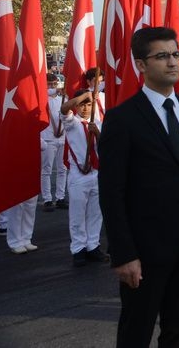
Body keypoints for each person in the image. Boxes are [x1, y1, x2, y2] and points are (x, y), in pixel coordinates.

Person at [98, 27, 179, 348]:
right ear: (141, 65)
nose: (173, 63)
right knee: (136, 331)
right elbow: (112, 192)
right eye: (162, 56)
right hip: (144, 250)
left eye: (176, 55)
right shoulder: (122, 119)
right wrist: (123, 253)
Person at [61, 90, 109, 266]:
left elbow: (107, 147)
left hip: (96, 173)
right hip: (78, 175)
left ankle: (92, 246)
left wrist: (96, 132)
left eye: (89, 105)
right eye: (82, 104)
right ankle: (78, 249)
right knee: (78, 214)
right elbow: (64, 108)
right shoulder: (72, 122)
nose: (86, 108)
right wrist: (87, 94)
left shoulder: (98, 122)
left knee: (96, 214)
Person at [41, 73, 69, 212]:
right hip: (47, 138)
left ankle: (60, 197)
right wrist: (55, 90)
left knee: (62, 169)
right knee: (46, 170)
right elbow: (45, 92)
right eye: (49, 84)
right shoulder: (42, 99)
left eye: (54, 84)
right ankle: (47, 199)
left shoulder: (63, 99)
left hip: (62, 137)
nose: (52, 86)